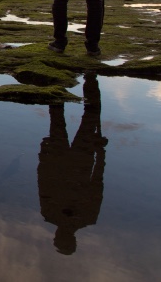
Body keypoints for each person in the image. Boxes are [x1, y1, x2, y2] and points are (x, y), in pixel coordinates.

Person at [37, 73, 107, 255]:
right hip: (79, 161)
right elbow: (97, 183)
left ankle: (66, 78)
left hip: (66, 160)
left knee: (61, 115)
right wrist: (101, 154)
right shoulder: (86, 217)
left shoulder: (51, 214)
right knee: (85, 115)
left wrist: (42, 156)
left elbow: (43, 181)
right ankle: (87, 77)